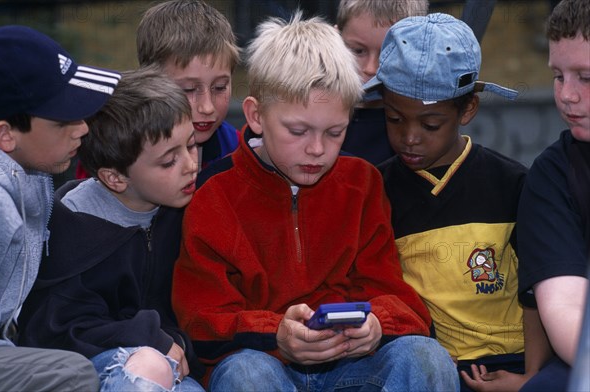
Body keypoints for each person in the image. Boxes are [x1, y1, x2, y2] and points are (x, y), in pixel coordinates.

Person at [172, 12, 458, 391]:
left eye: (335, 132)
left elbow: (395, 294)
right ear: (256, 116)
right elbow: (201, 320)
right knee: (245, 375)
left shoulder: (362, 184)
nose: (317, 149)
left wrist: (376, 325)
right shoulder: (214, 194)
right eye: (298, 130)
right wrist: (276, 332)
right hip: (266, 362)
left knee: (426, 357)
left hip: (352, 362)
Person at [367, 13, 545, 391]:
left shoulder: (513, 184)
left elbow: (537, 287)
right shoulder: (373, 191)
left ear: (467, 110)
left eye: (430, 125)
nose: (410, 137)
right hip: (425, 363)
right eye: (394, 119)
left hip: (511, 362)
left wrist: (530, 376)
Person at [17, 68, 205, 391]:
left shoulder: (184, 211)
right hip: (89, 370)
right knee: (146, 372)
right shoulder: (71, 227)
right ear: (115, 178)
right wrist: (149, 336)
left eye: (191, 145)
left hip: (168, 363)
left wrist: (173, 340)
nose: (191, 165)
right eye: (169, 161)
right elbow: (57, 330)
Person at [0, 25, 119, 391]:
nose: (82, 128)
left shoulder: (30, 175)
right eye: (63, 121)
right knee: (68, 374)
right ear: (5, 135)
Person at [515, 0, 589, 390]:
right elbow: (565, 307)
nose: (567, 95)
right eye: (559, 76)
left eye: (586, 78)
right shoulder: (553, 176)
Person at [137, 0, 240, 171]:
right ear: (149, 83)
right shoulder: (118, 152)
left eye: (220, 87)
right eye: (189, 89)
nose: (207, 107)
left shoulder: (239, 150)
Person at [336, 0, 428, 165]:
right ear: (334, 40)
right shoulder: (311, 110)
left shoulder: (420, 128)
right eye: (358, 51)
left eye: (388, 53)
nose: (371, 69)